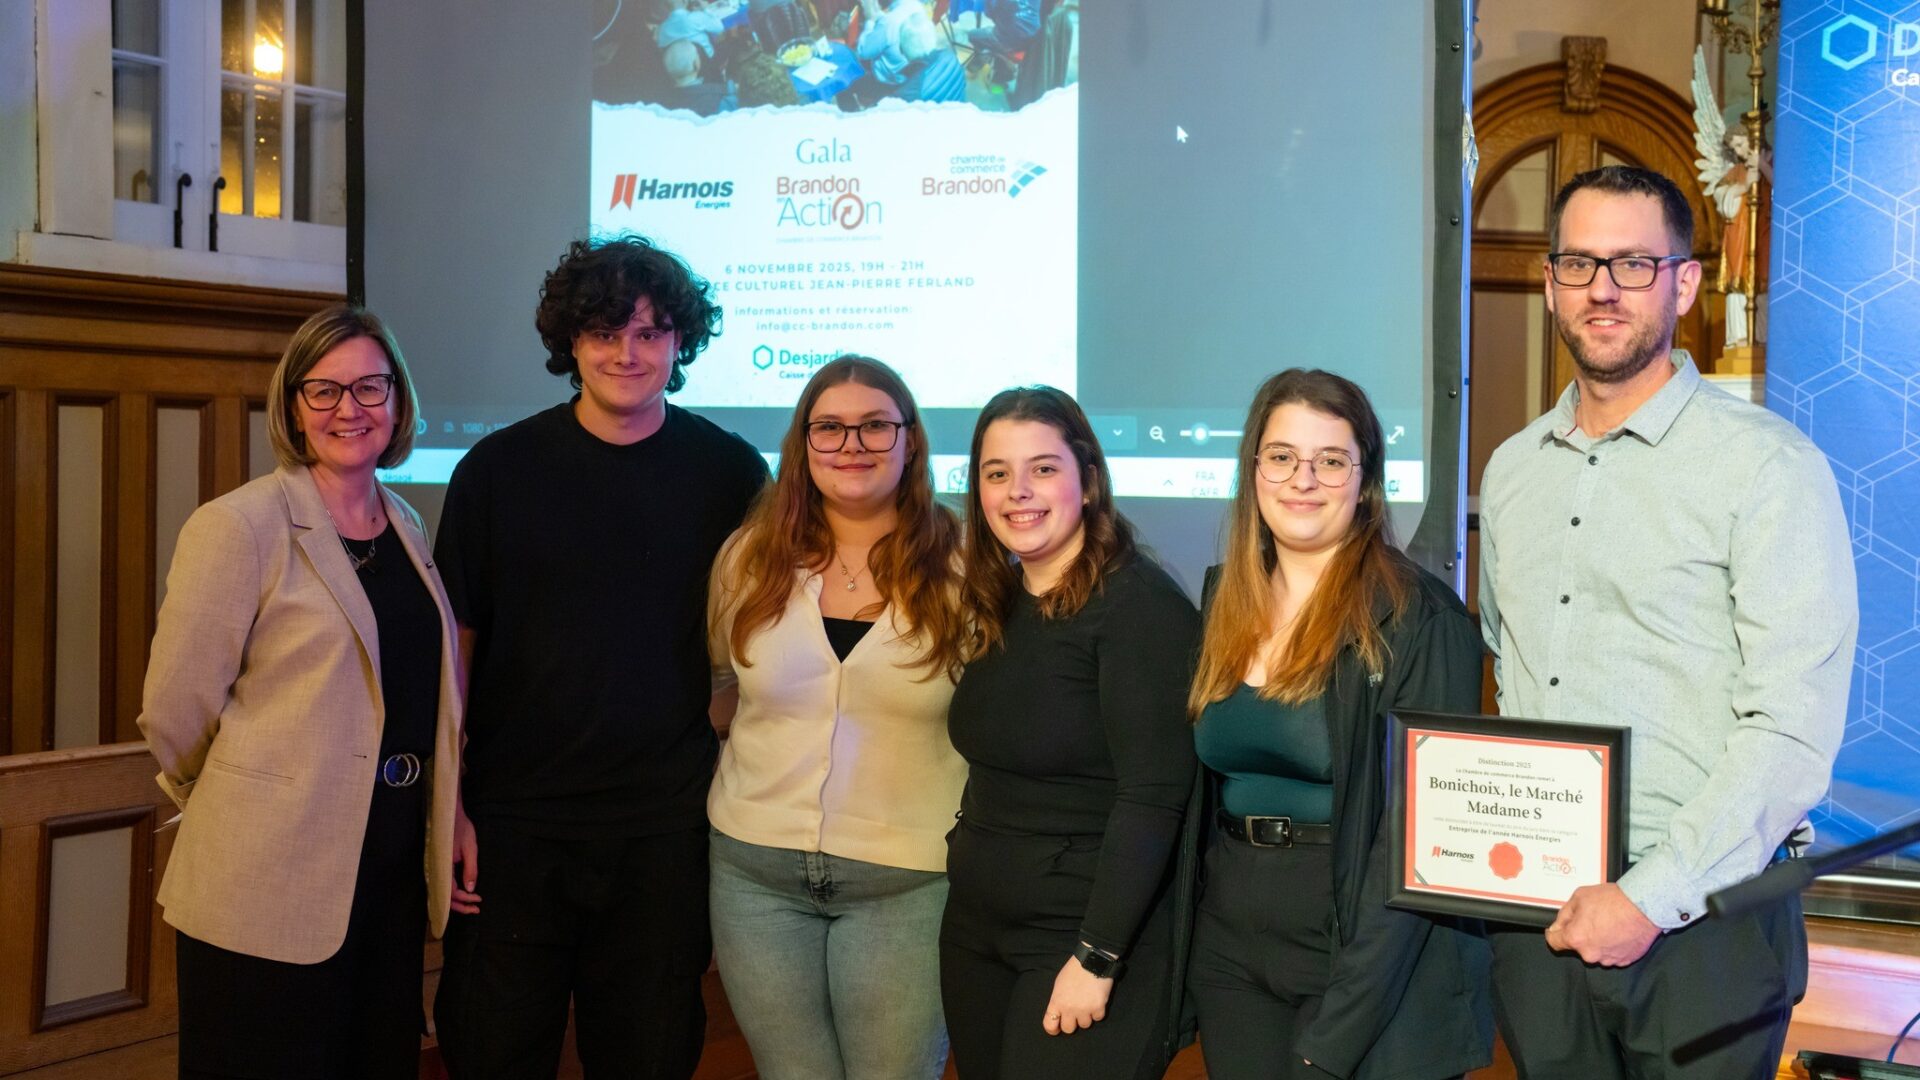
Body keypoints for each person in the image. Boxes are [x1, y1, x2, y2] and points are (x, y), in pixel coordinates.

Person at [1478, 164, 1856, 1079]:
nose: (1602, 288)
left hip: (1709, 932)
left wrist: (1651, 895)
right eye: (1578, 263)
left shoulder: (1770, 470)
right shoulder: (1512, 472)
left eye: (1634, 263)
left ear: (1685, 283)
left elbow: (1791, 732)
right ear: (1551, 283)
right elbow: (1507, 662)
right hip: (1546, 918)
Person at [431, 236, 769, 1078]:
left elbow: (762, 648)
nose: (628, 352)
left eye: (652, 333)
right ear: (570, 342)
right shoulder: (496, 471)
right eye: (606, 330)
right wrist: (452, 807)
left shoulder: (728, 473)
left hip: (663, 833)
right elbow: (454, 654)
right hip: (513, 830)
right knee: (493, 1058)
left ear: (680, 344)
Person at [139, 305, 462, 1080]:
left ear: (399, 400)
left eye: (370, 388)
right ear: (292, 405)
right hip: (265, 874)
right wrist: (241, 792)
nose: (349, 409)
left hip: (386, 870)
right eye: (325, 391)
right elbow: (174, 710)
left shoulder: (408, 526)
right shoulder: (240, 526)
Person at [1184, 369, 1493, 1080]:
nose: (1304, 480)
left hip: (1364, 953)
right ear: (1254, 469)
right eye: (1282, 456)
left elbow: (1423, 840)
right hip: (1233, 948)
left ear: (1366, 479)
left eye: (1331, 460)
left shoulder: (1421, 617)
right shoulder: (1220, 600)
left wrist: (1337, 1037)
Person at [707, 356, 969, 1079]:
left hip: (908, 883)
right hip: (754, 875)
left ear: (910, 440)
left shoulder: (968, 567)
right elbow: (720, 684)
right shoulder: (749, 560)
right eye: (830, 427)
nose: (852, 444)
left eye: (875, 425)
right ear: (802, 444)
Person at [939, 386, 1199, 1079]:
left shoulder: (1139, 607)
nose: (1018, 492)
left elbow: (1155, 798)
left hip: (1082, 941)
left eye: (1043, 469)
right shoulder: (1001, 597)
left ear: (1086, 480)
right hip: (976, 931)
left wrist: (1096, 957)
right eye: (997, 473)